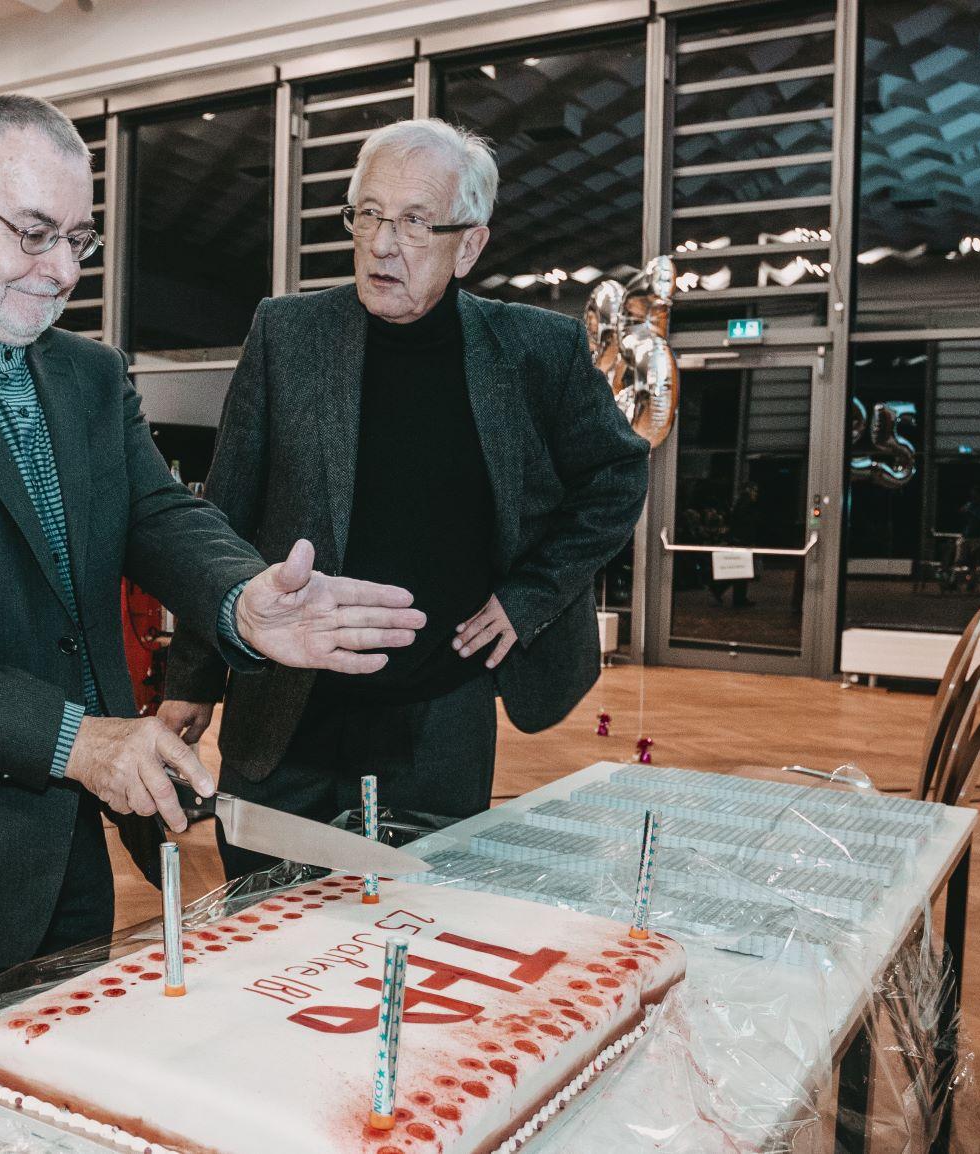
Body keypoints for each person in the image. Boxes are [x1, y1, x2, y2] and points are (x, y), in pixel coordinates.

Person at [0, 93, 425, 1047]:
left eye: (80, 240)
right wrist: (79, 743)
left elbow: (155, 513)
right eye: (34, 234)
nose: (63, 271)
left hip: (68, 858)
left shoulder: (87, 372)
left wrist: (241, 599)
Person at [159, 118, 650, 879]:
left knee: (417, 936)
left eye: (416, 222)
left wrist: (529, 598)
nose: (384, 245)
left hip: (439, 716)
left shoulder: (534, 352)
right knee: (258, 928)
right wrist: (191, 679)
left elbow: (616, 476)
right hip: (287, 709)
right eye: (369, 215)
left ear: (470, 245)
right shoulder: (288, 335)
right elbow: (224, 515)